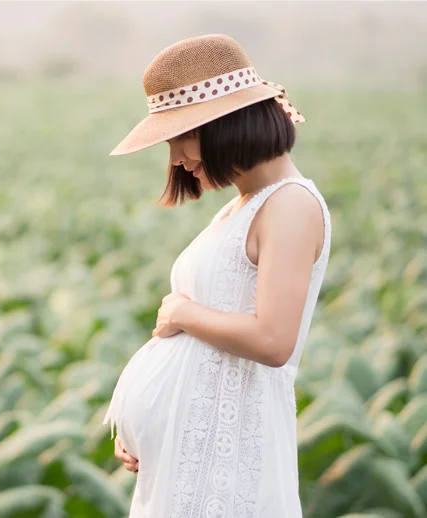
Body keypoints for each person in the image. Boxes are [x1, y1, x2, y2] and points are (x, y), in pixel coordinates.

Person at [101, 34, 331, 518]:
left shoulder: (290, 205)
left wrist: (183, 312)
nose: (177, 159)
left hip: (227, 461)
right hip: (187, 462)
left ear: (221, 124)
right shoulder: (244, 206)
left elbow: (272, 340)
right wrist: (147, 426)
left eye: (179, 138)